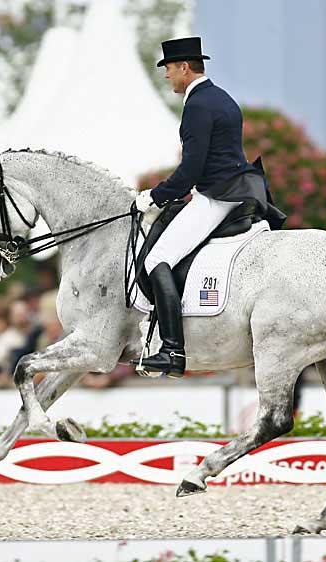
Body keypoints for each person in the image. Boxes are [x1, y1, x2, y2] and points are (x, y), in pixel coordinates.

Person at [131, 36, 284, 377]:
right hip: (239, 189)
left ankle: (172, 350)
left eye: (169, 69)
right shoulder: (222, 98)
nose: (167, 76)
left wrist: (153, 196)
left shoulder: (198, 105)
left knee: (157, 258)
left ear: (184, 67)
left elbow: (191, 171)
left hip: (217, 196)